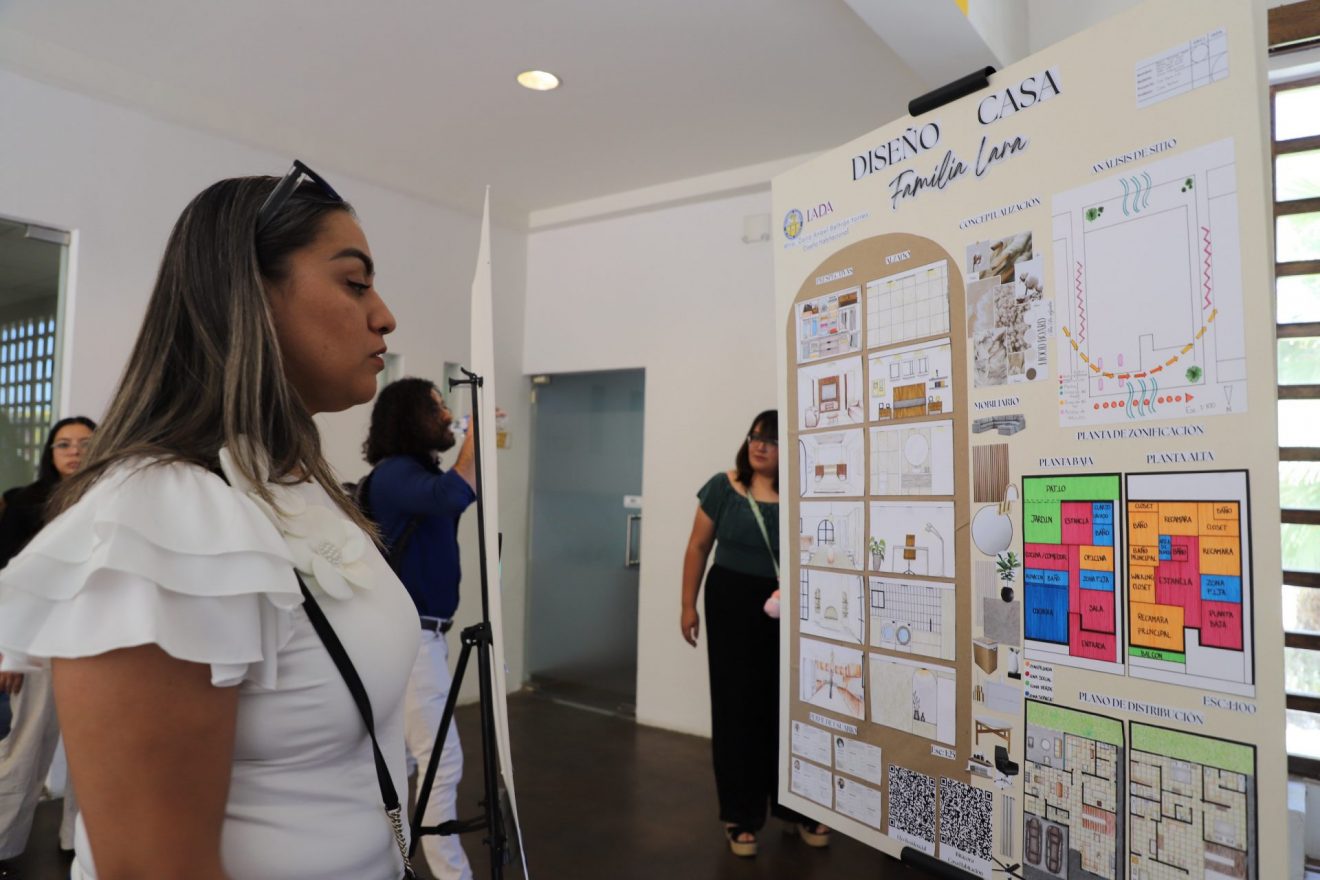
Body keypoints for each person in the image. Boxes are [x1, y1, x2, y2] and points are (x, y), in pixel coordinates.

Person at [0, 162, 419, 880]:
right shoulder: (159, 517)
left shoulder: (295, 484)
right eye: (354, 283)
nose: (384, 316)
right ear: (248, 294)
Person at [680, 410, 831, 857]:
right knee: (736, 708)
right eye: (754, 437)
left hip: (790, 606)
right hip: (730, 604)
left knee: (790, 707)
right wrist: (687, 605)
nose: (759, 446)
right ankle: (740, 815)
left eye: (771, 439)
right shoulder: (723, 487)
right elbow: (697, 547)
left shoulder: (803, 493)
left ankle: (798, 807)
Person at [360, 377, 476, 880]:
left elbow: (456, 494)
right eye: (436, 408)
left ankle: (394, 863)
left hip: (423, 639)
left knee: (407, 760)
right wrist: (477, 434)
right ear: (410, 418)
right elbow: (456, 493)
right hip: (411, 643)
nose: (447, 416)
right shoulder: (395, 475)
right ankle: (452, 875)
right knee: (441, 762)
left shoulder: (416, 475)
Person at [0, 416, 96, 868]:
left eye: (84, 443)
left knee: (92, 749)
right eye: (64, 444)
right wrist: (8, 649)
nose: (74, 451)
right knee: (27, 743)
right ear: (50, 452)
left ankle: (78, 845)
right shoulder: (24, 502)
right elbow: (7, 580)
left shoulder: (112, 499)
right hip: (38, 636)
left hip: (97, 635)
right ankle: (3, 840)